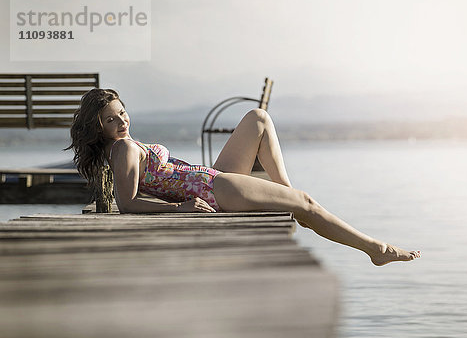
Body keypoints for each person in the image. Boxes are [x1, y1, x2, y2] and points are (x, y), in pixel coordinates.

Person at [67, 88, 421, 266]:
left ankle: (285, 191)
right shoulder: (124, 149)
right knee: (307, 205)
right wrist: (182, 209)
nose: (122, 122)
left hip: (208, 178)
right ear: (98, 127)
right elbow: (127, 205)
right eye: (111, 120)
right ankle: (377, 249)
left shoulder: (122, 146)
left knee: (257, 118)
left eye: (122, 113)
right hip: (213, 189)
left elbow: (132, 194)